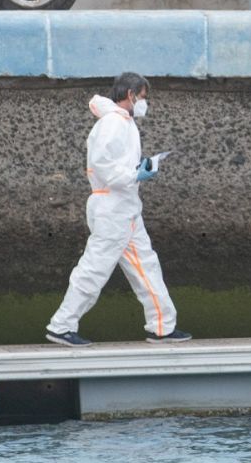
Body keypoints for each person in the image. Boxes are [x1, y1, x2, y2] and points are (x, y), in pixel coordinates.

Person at [46, 72, 191, 347]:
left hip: (125, 207)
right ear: (130, 94)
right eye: (143, 97)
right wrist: (136, 174)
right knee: (94, 268)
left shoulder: (122, 122)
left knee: (147, 267)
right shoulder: (113, 123)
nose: (144, 102)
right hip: (113, 207)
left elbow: (114, 166)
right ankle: (61, 326)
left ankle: (162, 326)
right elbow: (104, 166)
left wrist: (138, 171)